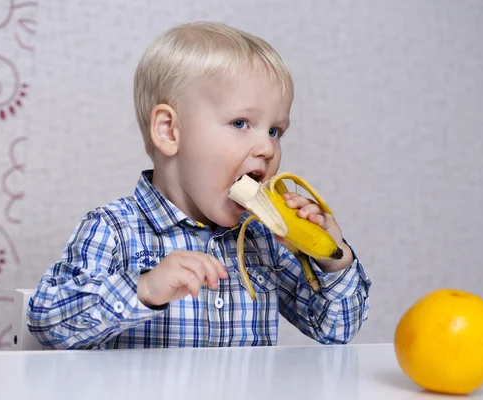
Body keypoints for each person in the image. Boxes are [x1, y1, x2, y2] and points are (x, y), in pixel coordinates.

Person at [27, 21, 371, 349]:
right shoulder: (114, 229)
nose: (267, 148)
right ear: (169, 131)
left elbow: (336, 330)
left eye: (274, 131)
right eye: (240, 122)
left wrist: (333, 257)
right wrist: (143, 288)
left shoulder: (265, 241)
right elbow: (48, 323)